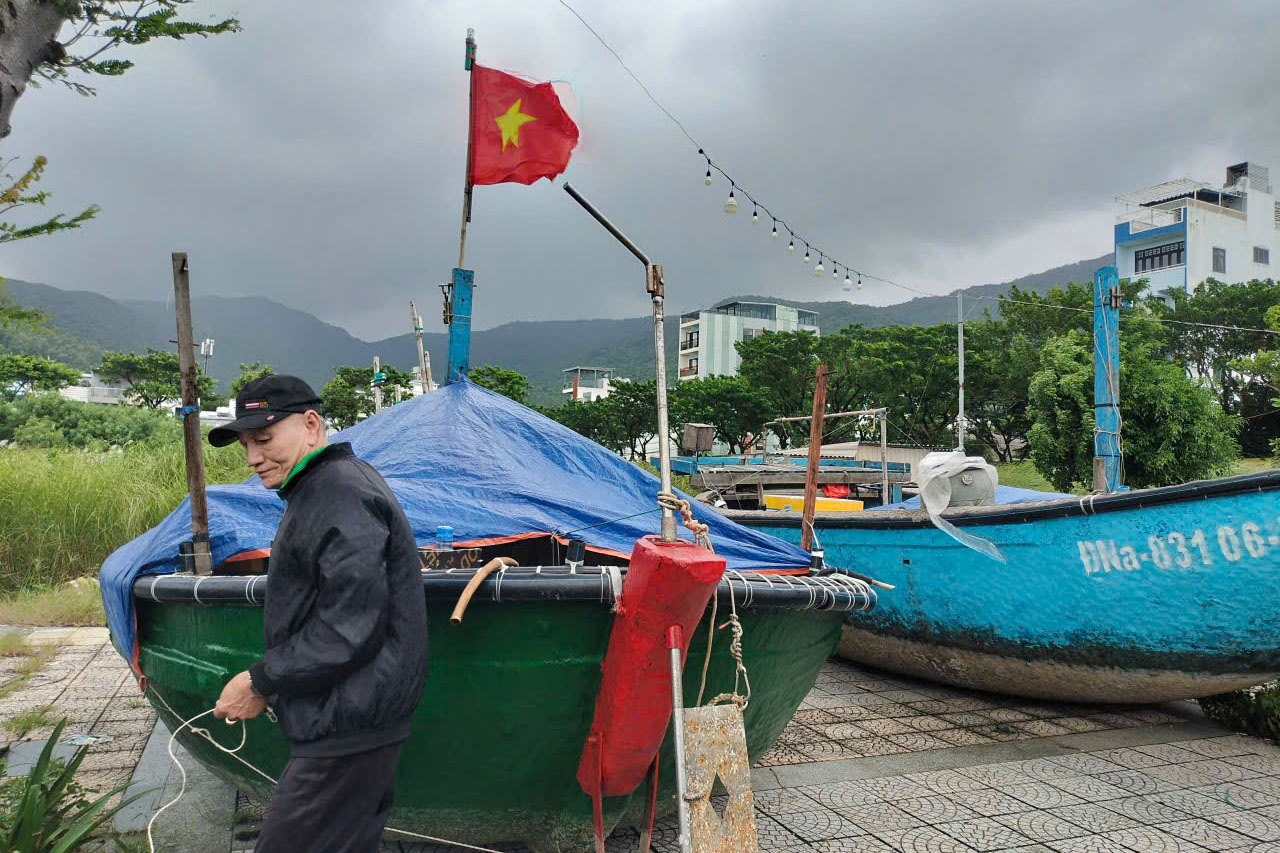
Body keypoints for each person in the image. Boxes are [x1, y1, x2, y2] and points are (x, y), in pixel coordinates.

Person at [208, 374, 427, 853]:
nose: (252, 458)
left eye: (264, 439)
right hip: (347, 718)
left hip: (348, 724)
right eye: (245, 444)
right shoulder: (317, 489)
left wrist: (261, 680)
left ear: (311, 424)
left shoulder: (339, 492)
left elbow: (350, 623)